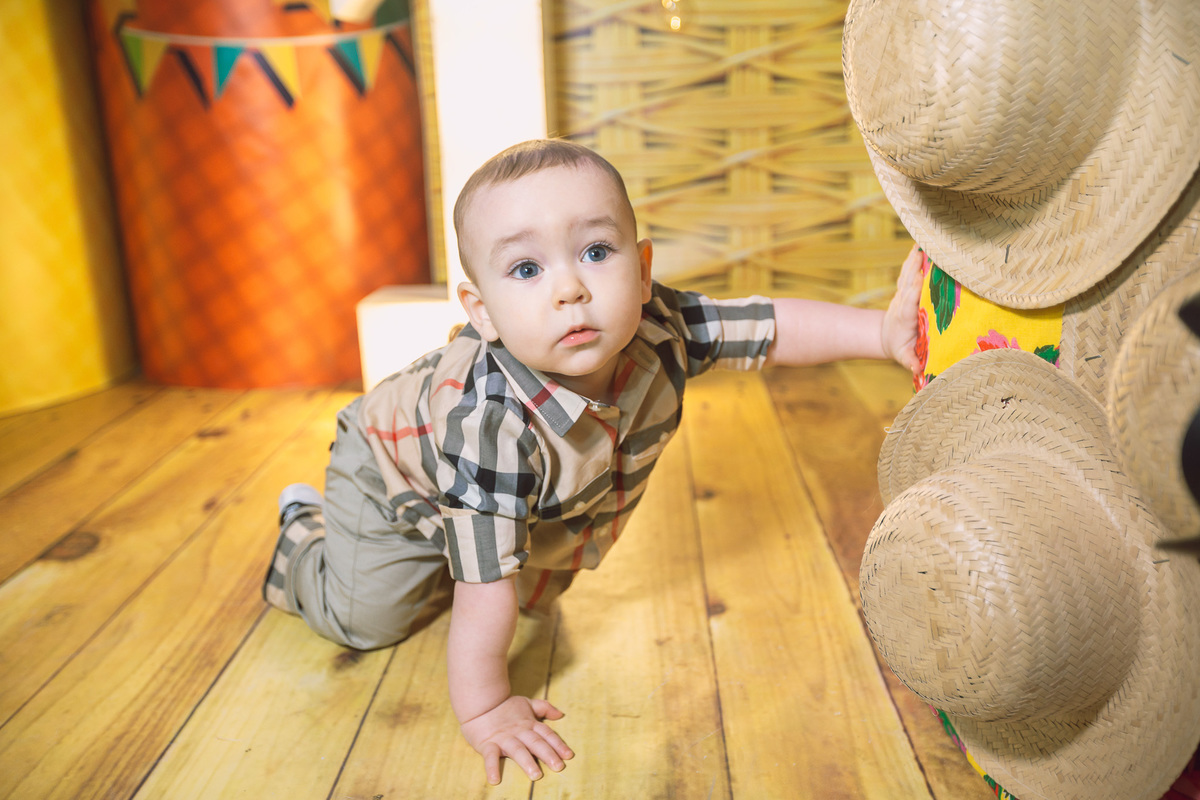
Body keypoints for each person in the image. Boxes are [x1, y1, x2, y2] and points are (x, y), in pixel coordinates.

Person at [262, 138, 922, 785]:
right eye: (527, 269)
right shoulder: (489, 425)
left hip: (486, 491)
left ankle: (450, 542)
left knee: (526, 575)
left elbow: (768, 327)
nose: (570, 289)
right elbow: (485, 586)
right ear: (481, 311)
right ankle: (303, 528)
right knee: (371, 619)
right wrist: (488, 709)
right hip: (389, 469)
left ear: (641, 272)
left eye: (596, 252)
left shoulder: (660, 325)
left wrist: (881, 334)